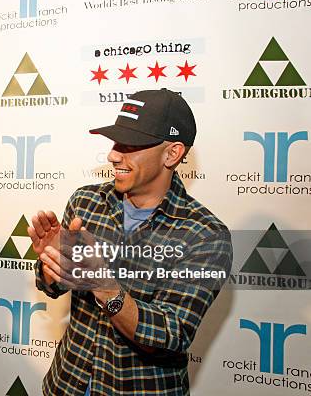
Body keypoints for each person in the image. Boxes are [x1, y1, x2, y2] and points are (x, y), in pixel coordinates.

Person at [29, 89, 232, 395]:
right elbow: (53, 287)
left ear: (172, 153)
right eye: (115, 142)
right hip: (66, 383)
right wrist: (53, 265)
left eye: (132, 144)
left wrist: (103, 285)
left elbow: (172, 334)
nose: (113, 154)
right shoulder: (86, 202)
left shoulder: (204, 235)